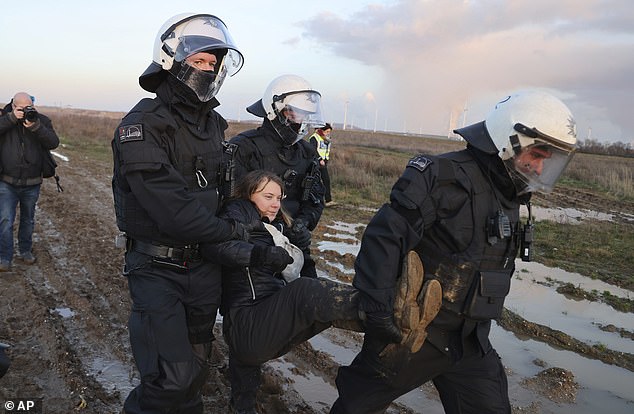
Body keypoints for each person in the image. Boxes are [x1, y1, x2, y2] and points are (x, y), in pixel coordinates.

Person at [330, 90, 578, 414]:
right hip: (415, 334)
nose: (541, 168)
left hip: (471, 343)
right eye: (538, 155)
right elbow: (384, 237)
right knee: (355, 406)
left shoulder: (511, 194)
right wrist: (378, 309)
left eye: (549, 160)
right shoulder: (442, 176)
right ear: (509, 140)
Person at [111, 13, 256, 414]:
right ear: (171, 60)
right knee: (169, 379)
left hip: (204, 269)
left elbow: (231, 189)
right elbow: (173, 210)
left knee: (194, 376)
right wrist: (232, 232)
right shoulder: (142, 125)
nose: (208, 70)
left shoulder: (214, 125)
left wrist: (245, 211)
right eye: (199, 61)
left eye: (214, 63)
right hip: (158, 269)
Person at [203, 170, 363, 414]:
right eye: (268, 196)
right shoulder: (239, 212)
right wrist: (260, 255)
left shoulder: (276, 228)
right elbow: (216, 246)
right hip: (248, 323)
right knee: (303, 292)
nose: (276, 203)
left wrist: (303, 252)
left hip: (259, 332)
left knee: (319, 305)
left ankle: (385, 321)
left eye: (279, 197)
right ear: (248, 194)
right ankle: (382, 306)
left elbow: (307, 281)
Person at [229, 74, 326, 279]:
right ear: (276, 111)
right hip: (254, 249)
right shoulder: (245, 147)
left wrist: (303, 224)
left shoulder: (307, 153)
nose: (301, 122)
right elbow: (231, 202)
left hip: (294, 247)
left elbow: (316, 199)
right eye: (296, 114)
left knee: (308, 301)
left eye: (306, 115)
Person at [0, 92, 60, 272]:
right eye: (22, 108)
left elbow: (53, 143)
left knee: (28, 220)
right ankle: (4, 257)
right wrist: (11, 118)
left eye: (30, 108)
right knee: (5, 220)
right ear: (13, 106)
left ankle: (25, 251)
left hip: (32, 182)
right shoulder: (5, 118)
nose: (27, 111)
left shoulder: (41, 120)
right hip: (7, 181)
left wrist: (36, 127)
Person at [308, 123, 335, 206]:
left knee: (326, 180)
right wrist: (319, 159)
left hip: (324, 162)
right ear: (322, 131)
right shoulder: (314, 138)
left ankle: (328, 200)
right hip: (316, 162)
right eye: (327, 131)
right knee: (315, 181)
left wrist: (326, 159)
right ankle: (313, 200)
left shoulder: (327, 139)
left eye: (329, 132)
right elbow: (313, 150)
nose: (328, 133)